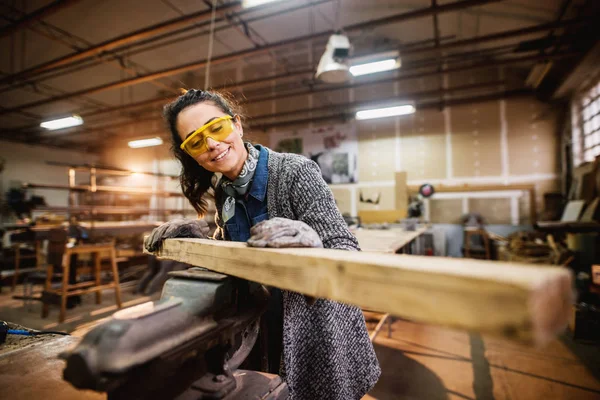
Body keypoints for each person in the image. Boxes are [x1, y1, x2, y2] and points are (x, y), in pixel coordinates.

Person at [144, 89, 380, 399]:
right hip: (263, 321)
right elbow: (235, 252)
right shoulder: (224, 191)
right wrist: (199, 235)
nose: (212, 144)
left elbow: (345, 250)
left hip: (313, 325)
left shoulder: (296, 171)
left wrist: (310, 240)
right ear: (190, 154)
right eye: (196, 142)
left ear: (237, 126)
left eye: (216, 128)